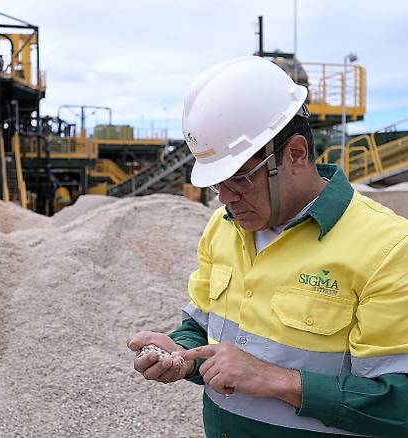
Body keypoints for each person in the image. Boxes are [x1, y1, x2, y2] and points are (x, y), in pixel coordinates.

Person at [127, 56, 408, 437]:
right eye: (216, 182)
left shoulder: (388, 249)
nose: (225, 197)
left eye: (239, 178)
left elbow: (400, 406)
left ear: (295, 154)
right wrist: (182, 355)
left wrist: (276, 380)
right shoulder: (222, 228)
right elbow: (202, 327)